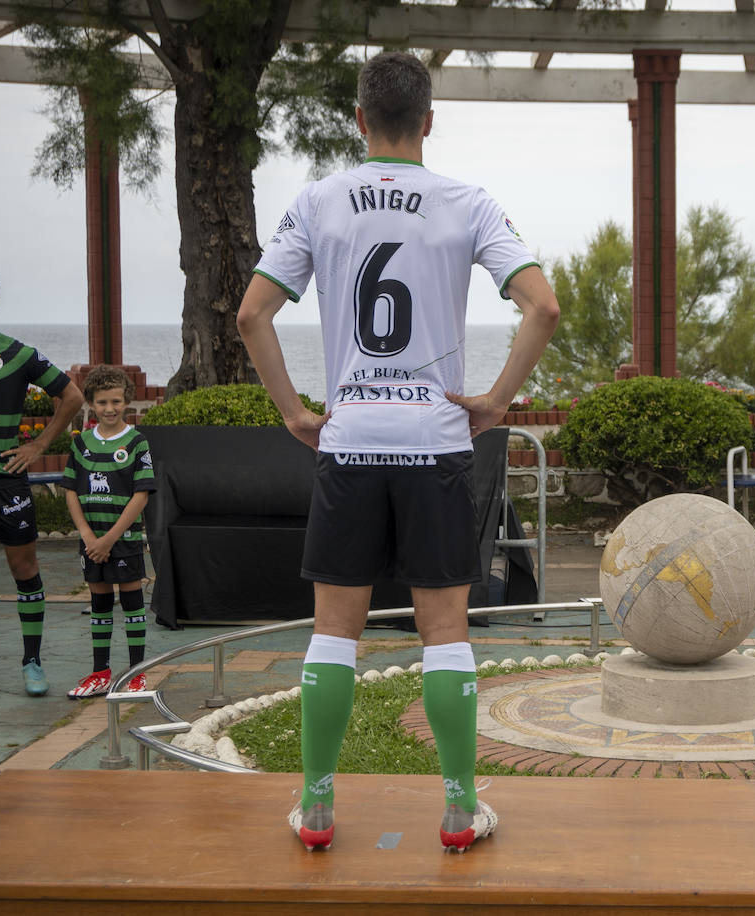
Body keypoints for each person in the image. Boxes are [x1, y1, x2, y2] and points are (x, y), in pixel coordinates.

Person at [237, 51, 559, 854]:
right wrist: (496, 401)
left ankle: (315, 808)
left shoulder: (317, 201)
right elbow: (543, 307)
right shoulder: (468, 202)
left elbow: (251, 316)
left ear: (357, 120)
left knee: (331, 634)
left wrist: (294, 413)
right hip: (437, 441)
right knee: (445, 631)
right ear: (428, 121)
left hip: (349, 441)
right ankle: (457, 811)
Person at [0, 276, 86, 696]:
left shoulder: (17, 354)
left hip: (5, 478)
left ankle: (32, 661)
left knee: (24, 569)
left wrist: (41, 444)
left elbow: (72, 396)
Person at [62, 365, 156, 699]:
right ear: (90, 403)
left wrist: (110, 539)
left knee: (131, 603)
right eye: (102, 402)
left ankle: (136, 675)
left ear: (126, 401)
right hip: (91, 542)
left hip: (123, 540)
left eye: (116, 401)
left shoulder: (136, 442)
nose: (110, 408)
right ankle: (100, 673)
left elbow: (141, 495)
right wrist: (89, 536)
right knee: (100, 603)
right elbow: (71, 491)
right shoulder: (82, 443)